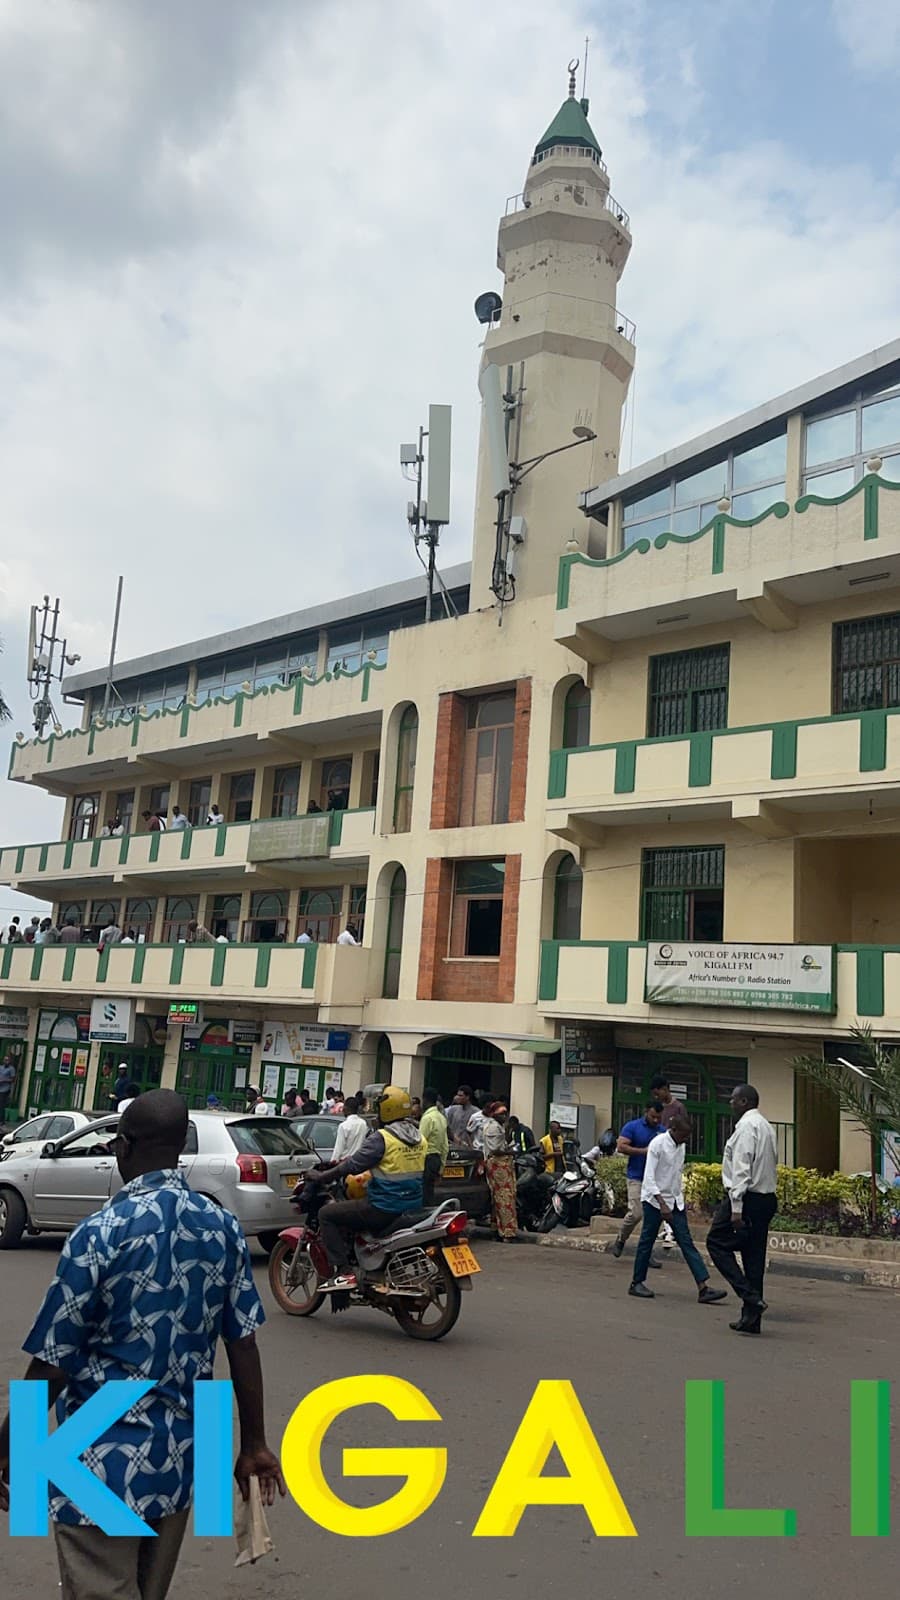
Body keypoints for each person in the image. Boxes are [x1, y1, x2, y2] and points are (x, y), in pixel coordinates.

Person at [0, 1089, 285, 1597]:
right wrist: (255, 1442)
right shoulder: (221, 1228)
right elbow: (243, 1342)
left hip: (97, 1460)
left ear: (124, 1147)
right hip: (176, 1461)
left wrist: (7, 1447)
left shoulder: (99, 1234)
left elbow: (54, 1362)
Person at [307, 1085, 427, 1291]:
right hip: (413, 1205)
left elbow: (352, 1165)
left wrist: (322, 1176)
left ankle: (344, 1272)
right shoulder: (419, 1138)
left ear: (387, 1111)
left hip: (383, 1207)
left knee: (326, 1214)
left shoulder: (383, 1138)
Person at [629, 1114, 728, 1305]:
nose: (686, 1139)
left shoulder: (681, 1146)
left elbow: (676, 1175)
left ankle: (703, 1287)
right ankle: (636, 1282)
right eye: (683, 1135)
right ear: (673, 1130)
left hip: (674, 1201)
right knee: (646, 1241)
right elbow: (649, 1178)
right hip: (654, 1201)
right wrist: (662, 1204)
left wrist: (678, 1201)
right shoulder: (657, 1145)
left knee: (686, 1242)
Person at [706, 1085, 778, 1336]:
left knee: (715, 1242)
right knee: (753, 1256)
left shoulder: (747, 1127)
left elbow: (742, 1166)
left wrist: (736, 1206)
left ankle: (750, 1297)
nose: (730, 1104)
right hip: (765, 1198)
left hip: (747, 1198)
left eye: (734, 1100)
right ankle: (751, 1318)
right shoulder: (766, 1126)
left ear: (745, 1101)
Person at [610, 1101, 666, 1264]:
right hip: (636, 1177)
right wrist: (644, 1152)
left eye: (658, 1117)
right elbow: (621, 1147)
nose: (656, 1120)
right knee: (636, 1213)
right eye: (653, 1116)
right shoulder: (632, 1127)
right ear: (646, 1112)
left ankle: (646, 1254)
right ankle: (621, 1238)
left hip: (655, 1181)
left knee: (653, 1219)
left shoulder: (662, 1131)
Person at [482, 1103, 517, 1241]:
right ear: (494, 1114)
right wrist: (511, 1151)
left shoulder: (498, 1126)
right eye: (502, 1113)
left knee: (500, 1197)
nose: (505, 1116)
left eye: (506, 1113)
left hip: (501, 1164)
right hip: (498, 1164)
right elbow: (495, 1149)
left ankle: (496, 1228)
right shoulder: (493, 1127)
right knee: (504, 1198)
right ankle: (507, 1232)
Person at [419, 1087, 449, 1204]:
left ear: (424, 1100)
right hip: (436, 1159)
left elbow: (420, 1141)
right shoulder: (441, 1118)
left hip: (426, 1159)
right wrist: (441, 1168)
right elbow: (445, 1146)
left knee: (422, 1194)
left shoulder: (427, 1118)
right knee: (429, 1193)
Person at [332, 1094, 369, 1163]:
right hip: (359, 1162)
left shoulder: (343, 1126)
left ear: (346, 1108)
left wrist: (333, 1161)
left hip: (345, 1163)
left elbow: (339, 1148)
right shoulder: (363, 1123)